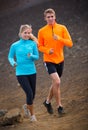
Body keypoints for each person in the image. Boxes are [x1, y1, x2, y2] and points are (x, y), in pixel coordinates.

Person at [38, 8, 73, 115]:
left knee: (55, 83)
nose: (50, 18)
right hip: (48, 60)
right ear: (45, 18)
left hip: (60, 60)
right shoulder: (42, 31)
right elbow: (40, 46)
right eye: (48, 17)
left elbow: (70, 43)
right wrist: (48, 50)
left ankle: (47, 102)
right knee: (57, 82)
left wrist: (59, 39)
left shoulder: (62, 28)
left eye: (52, 16)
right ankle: (59, 106)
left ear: (55, 17)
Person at [8, 24, 39, 122]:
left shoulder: (32, 44)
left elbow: (37, 57)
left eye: (29, 33)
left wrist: (32, 56)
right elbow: (10, 56)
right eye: (25, 32)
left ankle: (26, 106)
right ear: (20, 33)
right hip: (20, 73)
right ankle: (32, 115)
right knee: (29, 93)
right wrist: (13, 62)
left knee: (32, 95)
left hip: (32, 71)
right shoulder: (15, 45)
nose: (27, 34)